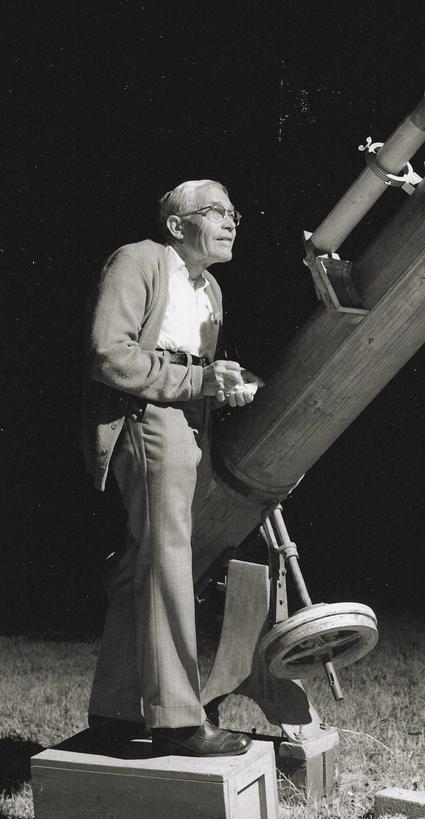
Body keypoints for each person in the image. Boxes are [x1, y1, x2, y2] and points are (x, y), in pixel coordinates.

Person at [82, 179, 263, 756]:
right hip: (149, 417)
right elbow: (109, 353)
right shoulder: (139, 260)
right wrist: (197, 381)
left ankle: (114, 710)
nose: (232, 221)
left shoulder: (208, 286)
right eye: (216, 212)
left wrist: (222, 386)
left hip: (190, 422)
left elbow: (195, 367)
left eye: (234, 213)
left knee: (145, 561)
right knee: (168, 560)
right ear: (176, 224)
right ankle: (178, 721)